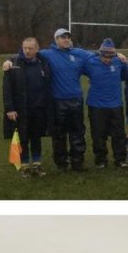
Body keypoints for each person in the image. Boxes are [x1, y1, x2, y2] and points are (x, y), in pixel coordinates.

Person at [36, 28, 94, 172]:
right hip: (57, 101)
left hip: (76, 100)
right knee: (59, 134)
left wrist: (117, 54)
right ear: (56, 40)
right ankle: (61, 163)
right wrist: (9, 61)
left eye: (68, 37)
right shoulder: (47, 54)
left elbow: (99, 56)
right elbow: (27, 53)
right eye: (63, 37)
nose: (66, 40)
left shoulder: (79, 53)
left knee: (77, 133)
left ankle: (77, 162)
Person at [3, 37, 52, 177]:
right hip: (21, 109)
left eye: (30, 48)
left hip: (39, 108)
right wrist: (10, 108)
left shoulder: (43, 63)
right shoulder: (13, 65)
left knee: (36, 137)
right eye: (25, 48)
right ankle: (24, 166)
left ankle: (37, 164)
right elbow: (7, 89)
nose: (27, 51)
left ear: (37, 49)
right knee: (23, 138)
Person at [82, 39, 128, 169]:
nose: (107, 60)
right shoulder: (90, 63)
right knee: (98, 134)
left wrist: (119, 55)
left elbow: (127, 73)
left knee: (118, 134)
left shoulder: (119, 62)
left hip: (115, 104)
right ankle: (101, 160)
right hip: (96, 105)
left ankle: (120, 159)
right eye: (105, 57)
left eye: (110, 57)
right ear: (100, 54)